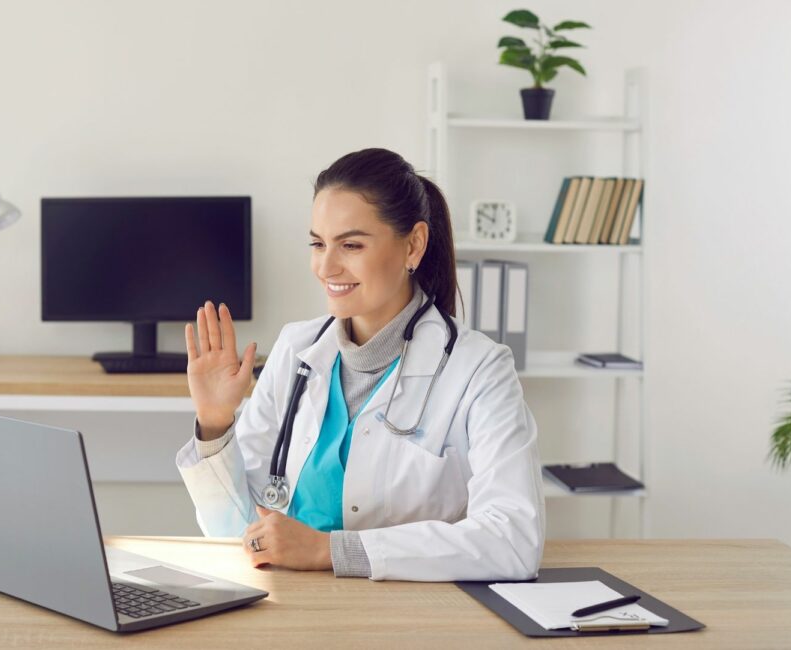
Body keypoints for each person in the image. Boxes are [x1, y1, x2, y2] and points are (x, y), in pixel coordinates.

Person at [176, 148, 544, 581]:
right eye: (317, 243)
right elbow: (239, 532)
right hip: (287, 605)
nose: (326, 266)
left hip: (407, 618)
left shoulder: (479, 369)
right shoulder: (297, 350)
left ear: (414, 245)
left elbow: (514, 540)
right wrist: (215, 426)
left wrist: (332, 551)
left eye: (350, 245)